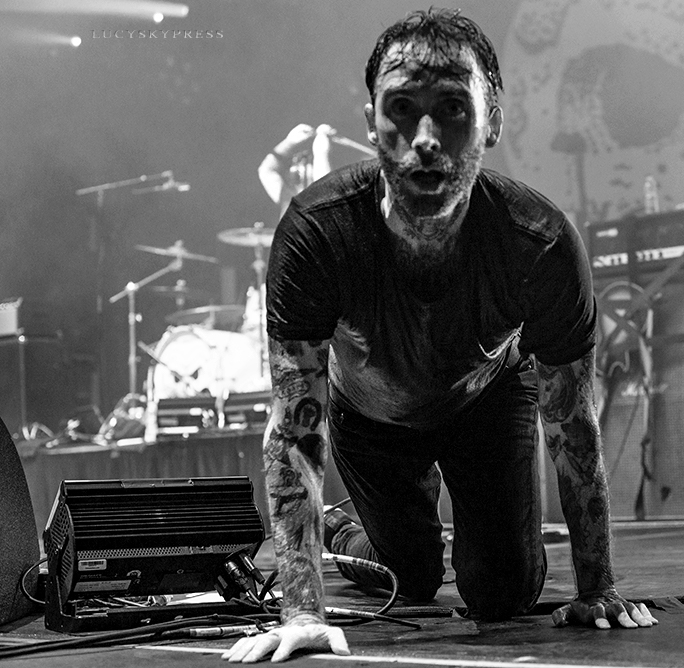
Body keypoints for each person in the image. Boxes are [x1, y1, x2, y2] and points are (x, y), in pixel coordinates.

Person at [222, 8, 657, 664]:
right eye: (401, 109)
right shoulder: (318, 234)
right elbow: (293, 431)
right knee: (410, 576)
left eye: (453, 110)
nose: (425, 139)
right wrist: (302, 610)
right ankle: (345, 529)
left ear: (493, 123)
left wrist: (598, 589)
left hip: (487, 403)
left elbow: (572, 425)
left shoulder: (538, 243)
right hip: (370, 418)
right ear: (370, 122)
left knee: (504, 593)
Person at [257, 123, 338, 219]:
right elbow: (266, 169)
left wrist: (322, 154)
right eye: (296, 165)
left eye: (308, 164)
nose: (300, 171)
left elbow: (323, 189)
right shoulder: (287, 198)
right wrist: (289, 143)